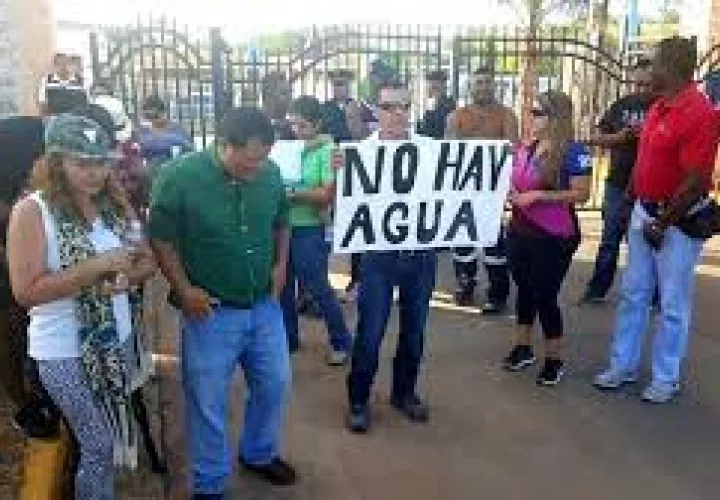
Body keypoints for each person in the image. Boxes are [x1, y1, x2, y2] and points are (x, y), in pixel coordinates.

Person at [6, 114, 157, 499]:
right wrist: (96, 267)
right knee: (98, 445)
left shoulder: (112, 203)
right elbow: (26, 291)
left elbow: (146, 260)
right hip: (63, 352)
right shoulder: (33, 212)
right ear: (56, 163)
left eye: (101, 162)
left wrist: (127, 278)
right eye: (82, 163)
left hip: (115, 339)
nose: (95, 173)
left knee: (101, 443)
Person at [149, 107, 297, 498]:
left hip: (264, 306)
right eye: (248, 160)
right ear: (221, 145)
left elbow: (282, 222)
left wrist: (281, 265)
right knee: (207, 399)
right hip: (210, 312)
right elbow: (162, 238)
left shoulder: (270, 174)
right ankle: (210, 482)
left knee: (276, 383)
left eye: (263, 158)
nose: (256, 168)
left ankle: (258, 453)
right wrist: (183, 289)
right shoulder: (178, 177)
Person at [594, 37, 720, 404]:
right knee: (634, 293)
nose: (649, 70)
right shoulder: (658, 107)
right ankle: (623, 365)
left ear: (672, 66)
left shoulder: (700, 113)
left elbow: (696, 180)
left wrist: (662, 223)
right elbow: (644, 160)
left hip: (675, 223)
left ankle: (667, 377)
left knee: (673, 304)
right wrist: (631, 201)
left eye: (655, 63)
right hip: (643, 212)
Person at [346, 81, 436, 433]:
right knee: (371, 332)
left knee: (414, 331)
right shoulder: (360, 154)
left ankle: (404, 392)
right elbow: (346, 205)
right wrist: (342, 173)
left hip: (420, 255)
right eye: (388, 107)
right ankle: (358, 399)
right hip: (378, 258)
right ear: (376, 111)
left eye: (402, 107)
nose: (396, 114)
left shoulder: (431, 150)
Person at [502, 91, 592, 386]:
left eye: (538, 113)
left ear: (555, 118)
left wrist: (539, 195)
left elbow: (582, 193)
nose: (530, 117)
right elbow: (513, 182)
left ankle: (555, 359)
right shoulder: (526, 147)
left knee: (545, 296)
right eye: (530, 111)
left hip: (553, 235)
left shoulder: (573, 151)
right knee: (524, 291)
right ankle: (523, 347)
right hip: (519, 230)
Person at [0, 116, 60, 439]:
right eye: (39, 153)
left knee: (22, 333)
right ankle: (25, 406)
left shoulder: (15, 179)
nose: (43, 160)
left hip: (21, 276)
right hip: (7, 281)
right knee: (9, 337)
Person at [280, 96, 353, 361]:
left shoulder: (328, 151)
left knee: (318, 287)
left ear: (317, 123)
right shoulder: (286, 148)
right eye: (293, 125)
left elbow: (326, 195)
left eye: (303, 126)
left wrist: (291, 193)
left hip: (310, 228)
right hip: (282, 228)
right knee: (283, 285)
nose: (297, 131)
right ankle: (289, 338)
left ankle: (341, 341)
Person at [581, 59, 655, 303]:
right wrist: (620, 136)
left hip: (649, 186)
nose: (642, 89)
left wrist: (649, 136)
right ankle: (597, 289)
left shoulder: (663, 107)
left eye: (648, 84)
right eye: (638, 84)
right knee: (610, 237)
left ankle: (651, 294)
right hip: (618, 182)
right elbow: (597, 137)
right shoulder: (621, 106)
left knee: (647, 242)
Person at [446, 65, 519, 312]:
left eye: (488, 82)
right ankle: (465, 285)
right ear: (471, 86)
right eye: (479, 82)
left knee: (494, 244)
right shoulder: (457, 115)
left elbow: (511, 148)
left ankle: (497, 294)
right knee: (463, 241)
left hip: (493, 191)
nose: (484, 86)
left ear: (494, 85)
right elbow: (450, 149)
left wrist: (477, 145)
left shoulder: (507, 115)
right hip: (463, 189)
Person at [136, 95, 193, 174]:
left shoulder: (177, 129)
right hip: (152, 173)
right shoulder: (144, 131)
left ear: (163, 113)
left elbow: (189, 149)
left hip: (175, 170)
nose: (152, 120)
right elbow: (139, 152)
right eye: (147, 117)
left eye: (155, 116)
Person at [416, 69, 456, 139]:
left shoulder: (448, 106)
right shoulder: (427, 104)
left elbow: (438, 129)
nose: (429, 90)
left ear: (443, 87)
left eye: (434, 88)